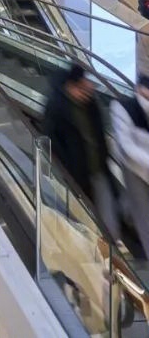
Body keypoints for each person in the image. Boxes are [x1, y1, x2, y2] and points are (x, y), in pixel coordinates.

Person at [43, 64, 120, 240]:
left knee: (109, 221)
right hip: (76, 178)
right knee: (84, 223)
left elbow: (99, 134)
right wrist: (66, 173)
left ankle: (112, 256)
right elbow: (52, 145)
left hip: (98, 171)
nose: (88, 86)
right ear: (71, 86)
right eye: (83, 83)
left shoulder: (90, 104)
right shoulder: (55, 108)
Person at [111, 71, 149, 257]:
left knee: (137, 208)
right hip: (133, 168)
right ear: (139, 89)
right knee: (144, 214)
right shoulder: (122, 107)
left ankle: (125, 209)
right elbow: (126, 146)